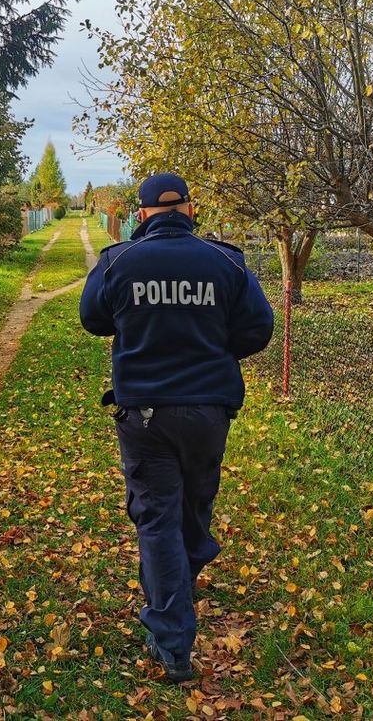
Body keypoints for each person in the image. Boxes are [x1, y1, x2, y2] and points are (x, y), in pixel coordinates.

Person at [78, 172, 273, 683]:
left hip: (145, 414)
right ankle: (177, 590)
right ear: (189, 209)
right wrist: (212, 346)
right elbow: (259, 329)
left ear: (141, 215)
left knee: (158, 520)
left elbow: (93, 319)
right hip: (208, 410)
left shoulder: (119, 261)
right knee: (192, 509)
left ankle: (171, 635)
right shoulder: (226, 262)